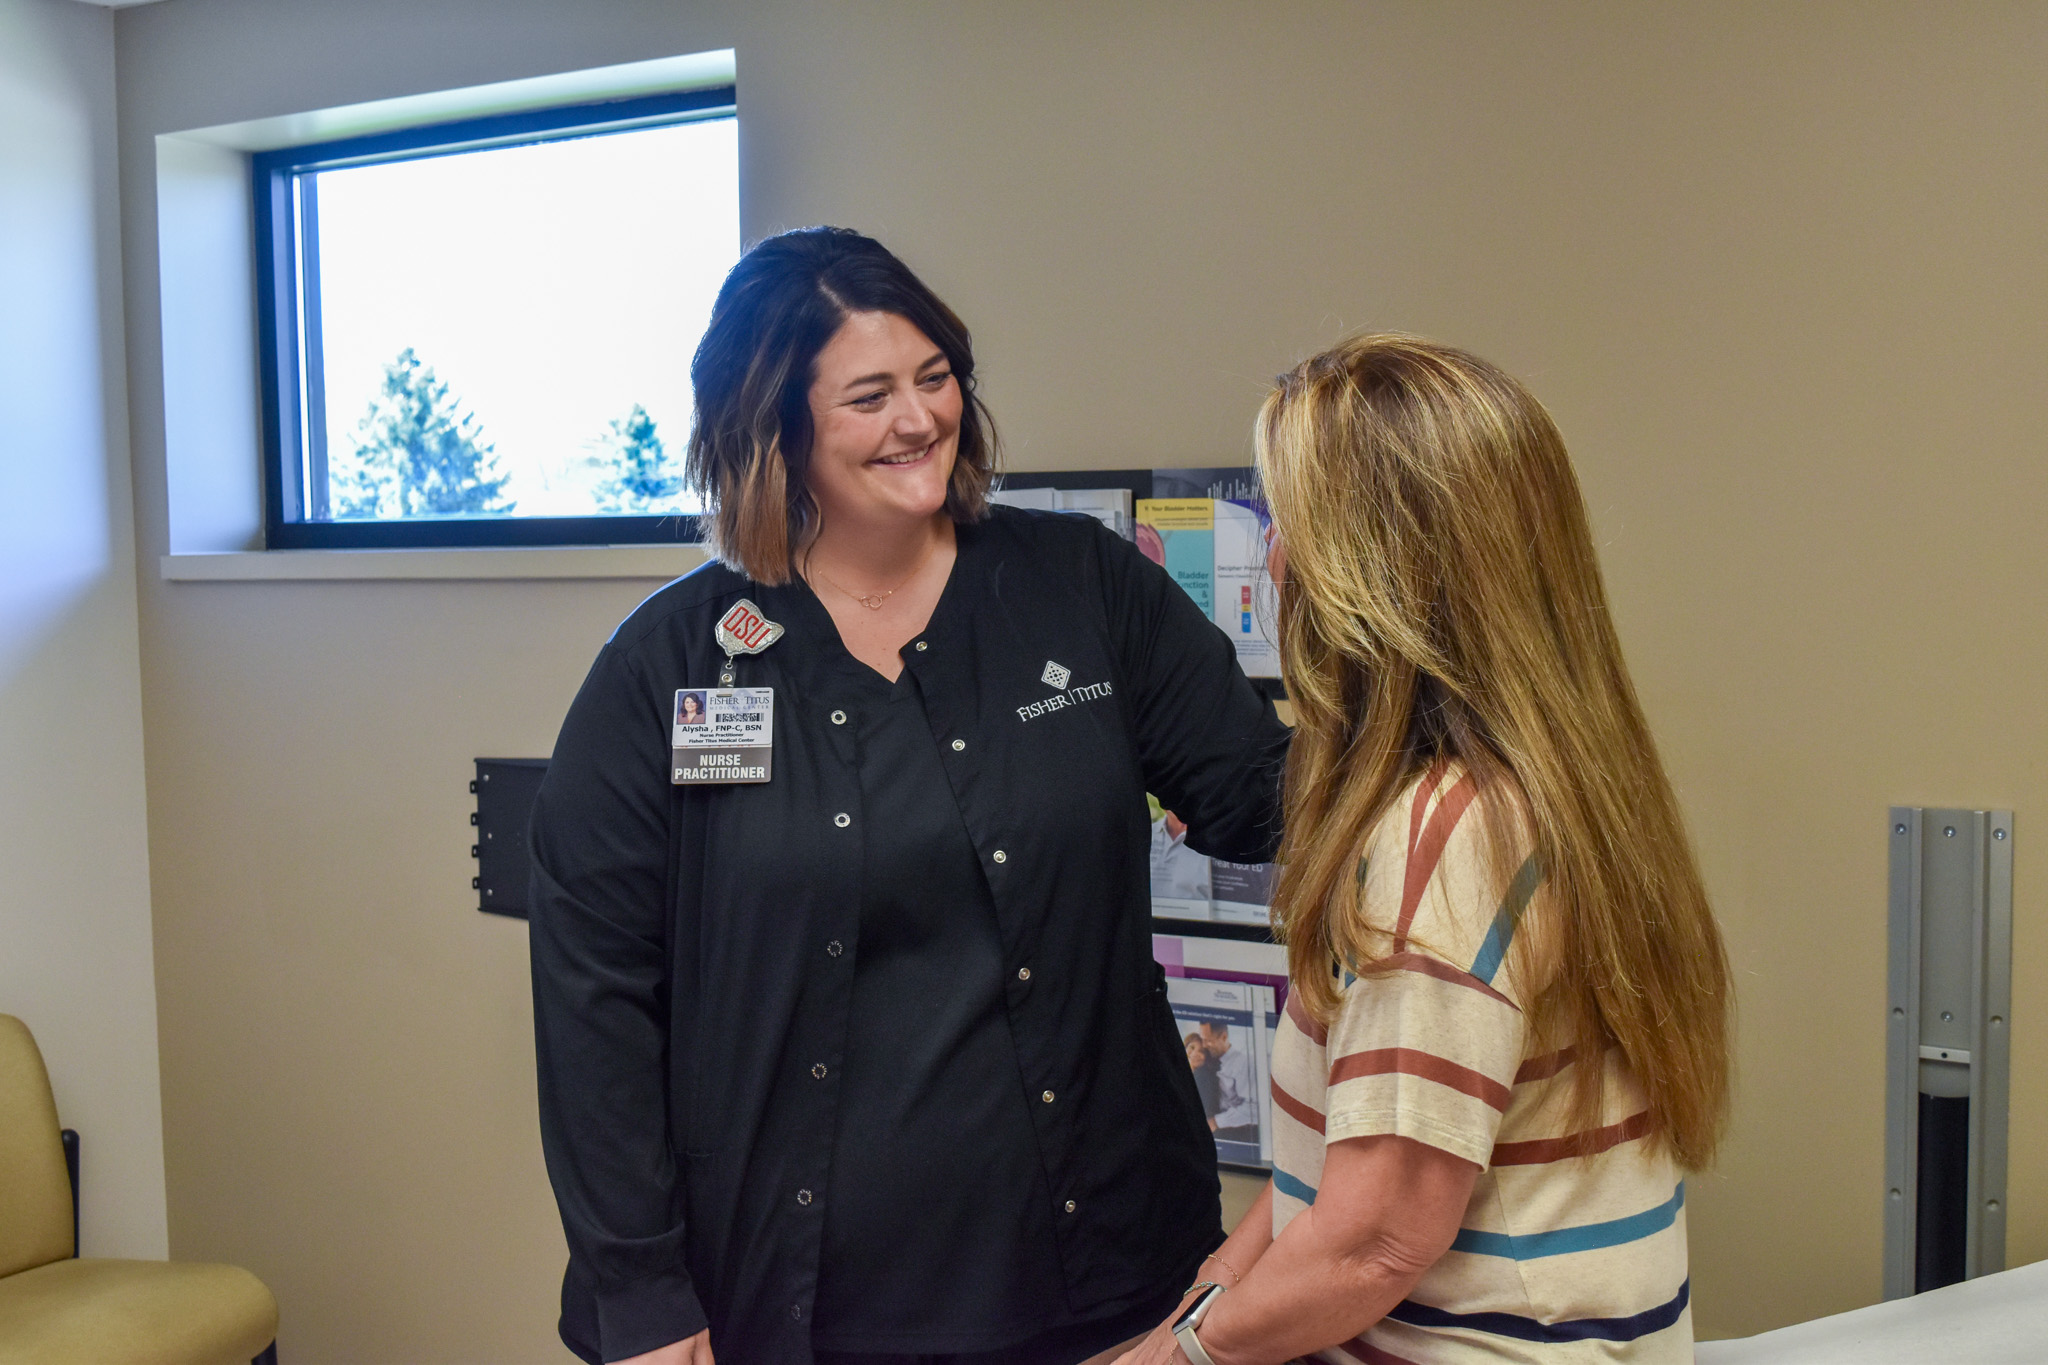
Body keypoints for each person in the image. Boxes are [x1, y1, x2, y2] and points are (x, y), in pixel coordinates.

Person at [527, 226, 1292, 1365]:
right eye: (869, 396)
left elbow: (1260, 802)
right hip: (794, 1304)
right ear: (772, 427)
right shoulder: (672, 666)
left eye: (934, 378)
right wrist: (641, 1290)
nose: (918, 419)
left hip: (1104, 1283)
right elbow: (593, 997)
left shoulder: (1078, 591)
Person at [1116, 335, 1731, 1365]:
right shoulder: (1552, 780)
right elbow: (1341, 1164)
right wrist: (1201, 1302)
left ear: (1367, 571)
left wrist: (1176, 1358)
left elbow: (1374, 1241)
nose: (1271, 558)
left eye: (1285, 525)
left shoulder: (1439, 845)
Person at [1194, 1022, 1256, 1147]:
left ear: (1223, 1037)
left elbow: (1254, 1109)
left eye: (1208, 1040)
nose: (1204, 1045)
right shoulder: (1207, 1061)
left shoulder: (1244, 1063)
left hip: (1237, 1132)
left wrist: (1215, 1122)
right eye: (1203, 1040)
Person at [1184, 1033, 1222, 1128]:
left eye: (1201, 1051)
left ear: (1207, 1057)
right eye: (1192, 1047)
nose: (1195, 1054)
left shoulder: (1202, 1076)